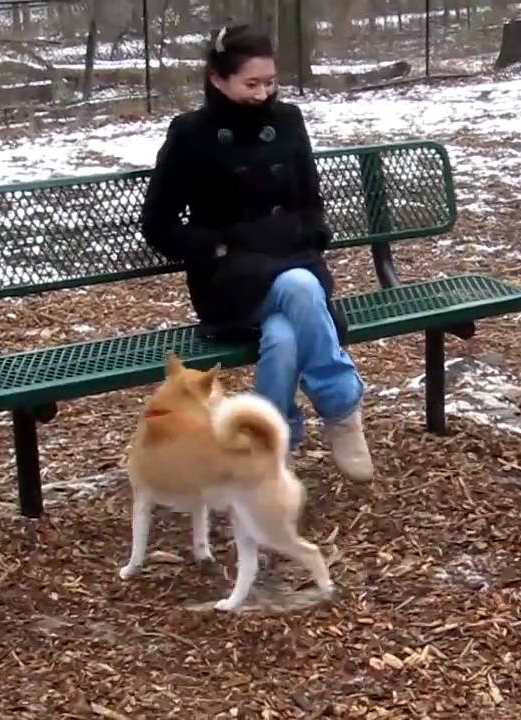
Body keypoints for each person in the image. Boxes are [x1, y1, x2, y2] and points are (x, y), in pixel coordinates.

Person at [139, 24, 373, 482]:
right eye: (251, 83)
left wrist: (306, 232)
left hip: (294, 257)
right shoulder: (190, 134)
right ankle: (341, 405)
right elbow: (158, 225)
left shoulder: (288, 121)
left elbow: (311, 202)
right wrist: (217, 245)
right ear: (217, 78)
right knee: (301, 289)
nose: (263, 93)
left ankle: (267, 449)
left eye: (270, 82)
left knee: (285, 337)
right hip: (229, 279)